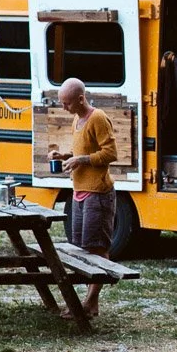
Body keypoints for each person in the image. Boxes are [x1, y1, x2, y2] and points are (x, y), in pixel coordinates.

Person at [50, 77, 118, 318]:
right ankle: (89, 303)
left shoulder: (97, 117)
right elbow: (83, 151)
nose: (64, 108)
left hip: (98, 193)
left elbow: (110, 153)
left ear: (80, 99)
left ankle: (90, 302)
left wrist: (80, 160)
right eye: (61, 103)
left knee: (96, 248)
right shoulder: (77, 119)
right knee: (81, 248)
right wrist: (66, 155)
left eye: (67, 103)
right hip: (79, 192)